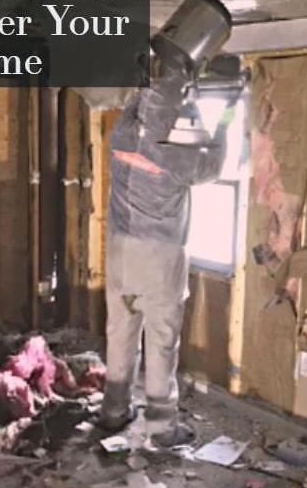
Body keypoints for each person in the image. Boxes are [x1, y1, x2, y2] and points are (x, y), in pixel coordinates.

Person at [97, 52, 237, 449]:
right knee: (160, 343)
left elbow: (142, 103)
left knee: (120, 332)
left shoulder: (124, 130)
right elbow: (210, 167)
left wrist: (152, 85)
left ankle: (113, 411)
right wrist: (224, 114)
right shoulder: (179, 134)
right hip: (158, 257)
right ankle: (160, 429)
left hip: (120, 250)